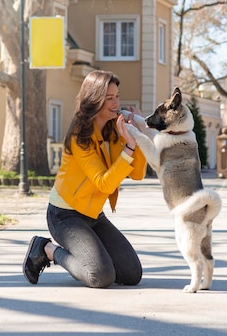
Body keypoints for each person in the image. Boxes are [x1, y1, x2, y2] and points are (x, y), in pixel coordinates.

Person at [23, 70, 148, 288]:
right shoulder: (79, 137)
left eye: (117, 96)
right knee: (100, 276)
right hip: (65, 215)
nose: (115, 102)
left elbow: (137, 174)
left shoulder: (115, 130)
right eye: (109, 98)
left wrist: (135, 138)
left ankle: (88, 253)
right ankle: (47, 250)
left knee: (131, 274)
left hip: (94, 216)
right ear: (94, 100)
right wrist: (129, 147)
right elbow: (104, 183)